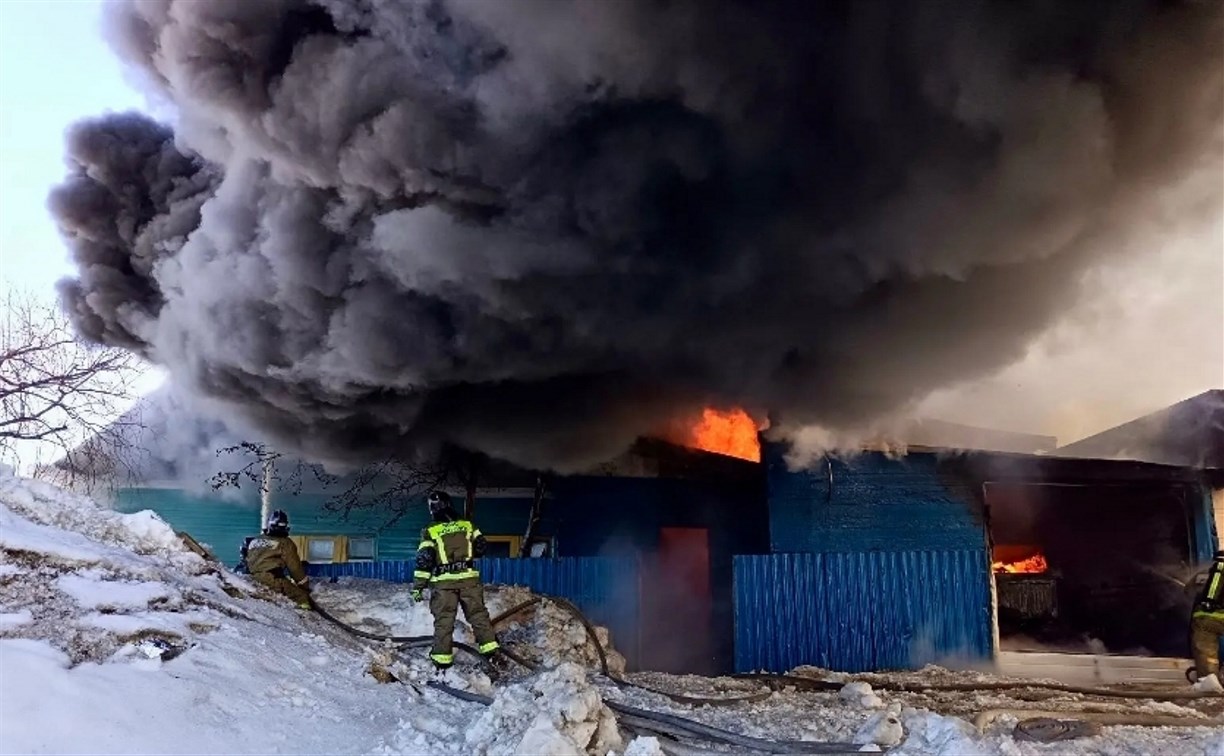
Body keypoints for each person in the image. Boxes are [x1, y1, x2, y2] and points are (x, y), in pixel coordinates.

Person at [412, 491, 500, 670]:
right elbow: (481, 547)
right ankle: (490, 648)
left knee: (444, 620)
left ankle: (442, 659)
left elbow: (424, 560)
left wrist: (418, 587)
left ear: (431, 509)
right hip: (469, 580)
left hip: (444, 584)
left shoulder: (430, 531)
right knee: (478, 614)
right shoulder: (468, 526)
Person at [244, 510, 312, 610]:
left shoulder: (256, 540)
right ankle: (306, 616)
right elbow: (295, 568)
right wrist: (304, 586)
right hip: (270, 580)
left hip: (250, 579)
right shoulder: (285, 543)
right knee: (302, 596)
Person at [1190, 551, 1224, 681]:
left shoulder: (1213, 570)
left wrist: (1207, 601)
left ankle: (1208, 680)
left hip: (1211, 617)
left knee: (1205, 644)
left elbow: (1188, 592)